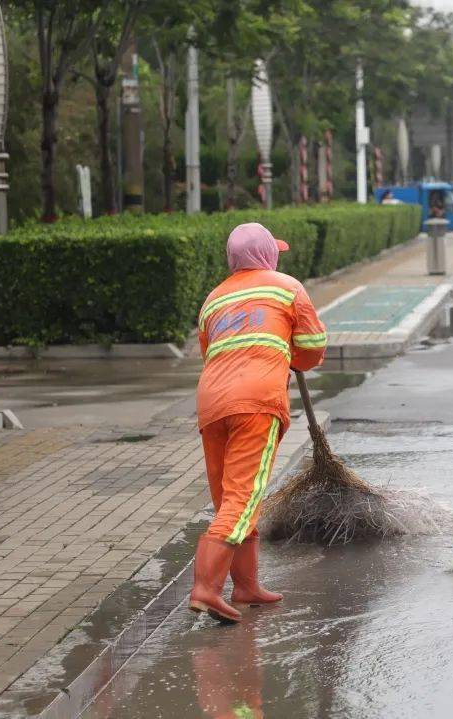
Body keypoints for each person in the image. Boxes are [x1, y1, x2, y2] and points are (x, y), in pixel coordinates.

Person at [190, 222, 327, 624]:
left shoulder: (213, 299)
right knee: (243, 497)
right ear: (268, 253)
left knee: (228, 497)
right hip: (256, 401)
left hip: (213, 402)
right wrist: (293, 358)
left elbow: (208, 351)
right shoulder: (286, 286)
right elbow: (313, 346)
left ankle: (246, 586)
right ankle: (205, 588)